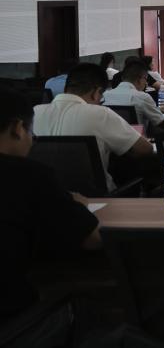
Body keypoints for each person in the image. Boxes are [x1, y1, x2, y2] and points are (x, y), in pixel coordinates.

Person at [0, 87, 101, 335]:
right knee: (91, 311)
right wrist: (78, 207)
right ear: (17, 128)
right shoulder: (28, 175)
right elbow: (91, 239)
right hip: (12, 323)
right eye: (31, 132)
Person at [33, 63, 153, 191]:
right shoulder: (100, 114)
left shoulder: (34, 112)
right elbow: (145, 149)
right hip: (97, 198)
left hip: (44, 196)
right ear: (96, 93)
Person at [103, 61, 164, 133]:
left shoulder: (104, 95)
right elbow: (162, 124)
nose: (146, 83)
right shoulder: (142, 97)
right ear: (139, 80)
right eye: (146, 79)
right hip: (135, 138)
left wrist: (157, 109)